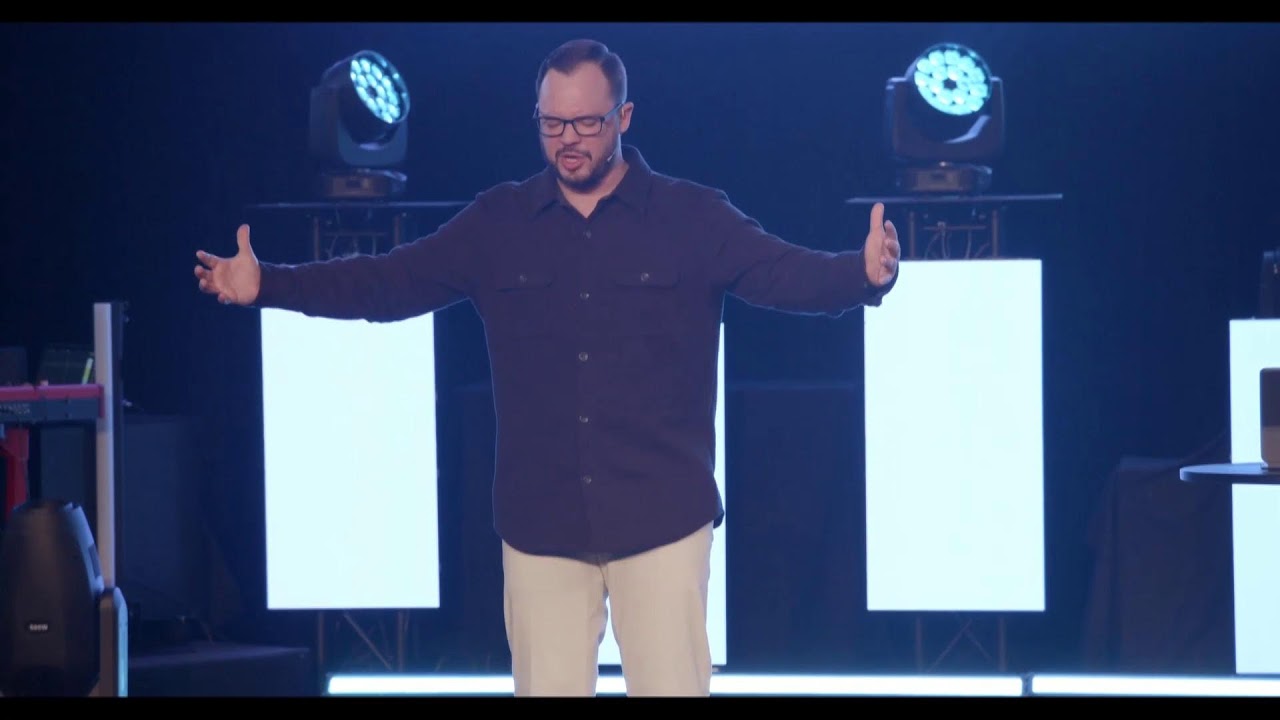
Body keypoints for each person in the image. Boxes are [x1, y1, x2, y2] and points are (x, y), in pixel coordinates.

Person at [195, 37, 900, 697]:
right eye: (552, 124)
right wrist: (271, 285)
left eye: (586, 124)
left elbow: (780, 273)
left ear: (623, 117)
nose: (568, 140)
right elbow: (388, 283)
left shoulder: (690, 217)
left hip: (662, 515)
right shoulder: (499, 223)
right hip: (541, 525)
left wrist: (860, 274)